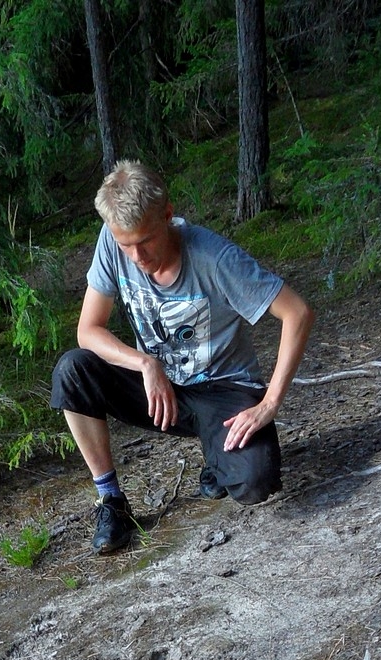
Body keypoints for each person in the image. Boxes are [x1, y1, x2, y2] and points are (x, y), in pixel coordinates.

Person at [51, 160, 315, 556]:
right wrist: (145, 363)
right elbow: (88, 330)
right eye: (126, 245)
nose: (136, 256)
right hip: (159, 388)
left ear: (168, 216)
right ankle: (111, 500)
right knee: (73, 370)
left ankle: (216, 455)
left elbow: (297, 312)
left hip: (222, 389)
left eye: (145, 241)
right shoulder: (112, 239)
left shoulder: (215, 258)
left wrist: (269, 403)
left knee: (256, 483)